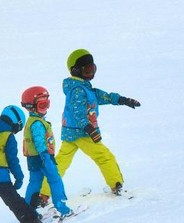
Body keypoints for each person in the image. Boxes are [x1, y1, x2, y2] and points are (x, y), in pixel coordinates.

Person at [39, 49, 141, 204]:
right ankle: (116, 184)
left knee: (60, 163)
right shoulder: (78, 90)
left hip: (70, 132)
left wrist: (122, 100)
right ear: (76, 70)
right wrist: (89, 128)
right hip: (83, 133)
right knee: (104, 156)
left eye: (92, 69)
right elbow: (77, 112)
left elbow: (102, 96)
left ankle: (44, 193)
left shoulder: (84, 87)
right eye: (87, 70)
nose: (90, 73)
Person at [21, 86, 72, 217]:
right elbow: (39, 141)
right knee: (55, 180)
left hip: (34, 159)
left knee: (35, 182)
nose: (46, 108)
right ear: (31, 106)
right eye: (42, 105)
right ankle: (62, 207)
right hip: (43, 157)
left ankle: (28, 211)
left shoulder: (33, 121)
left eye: (47, 104)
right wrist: (45, 157)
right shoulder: (37, 123)